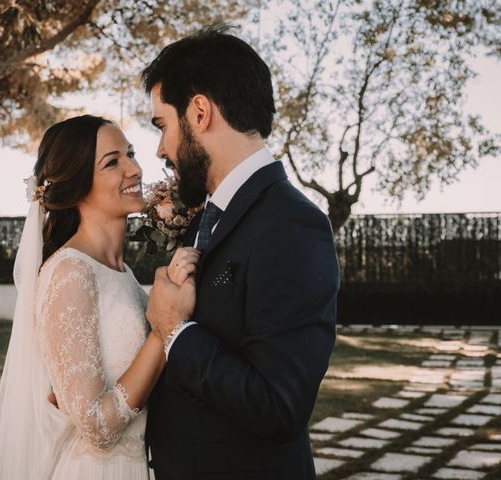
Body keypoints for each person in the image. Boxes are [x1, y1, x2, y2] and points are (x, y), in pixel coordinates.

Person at [142, 26, 340, 479]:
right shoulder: (205, 218)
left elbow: (278, 406)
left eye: (162, 125)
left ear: (198, 112)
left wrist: (175, 331)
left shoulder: (292, 224)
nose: (160, 149)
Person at [0, 115, 199, 480]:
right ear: (77, 185)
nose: (134, 168)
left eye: (130, 154)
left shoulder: (121, 271)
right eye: (112, 162)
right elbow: (97, 427)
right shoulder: (70, 272)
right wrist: (162, 329)